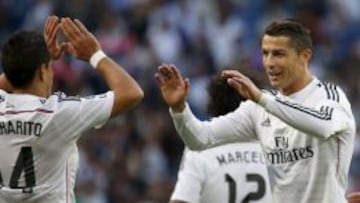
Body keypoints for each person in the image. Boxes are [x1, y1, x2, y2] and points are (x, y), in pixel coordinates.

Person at [156, 19, 356, 203]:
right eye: (265, 53)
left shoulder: (331, 97)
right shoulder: (258, 109)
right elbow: (200, 138)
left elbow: (322, 125)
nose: (269, 63)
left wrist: (262, 99)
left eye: (278, 54)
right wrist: (179, 108)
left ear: (304, 57)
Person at [0, 15, 143, 203]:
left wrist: (29, 64)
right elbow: (132, 93)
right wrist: (95, 55)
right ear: (43, 71)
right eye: (50, 68)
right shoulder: (58, 114)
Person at [169, 72, 272, 203]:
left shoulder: (198, 151)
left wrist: (178, 108)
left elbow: (181, 200)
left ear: (213, 104)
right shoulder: (276, 151)